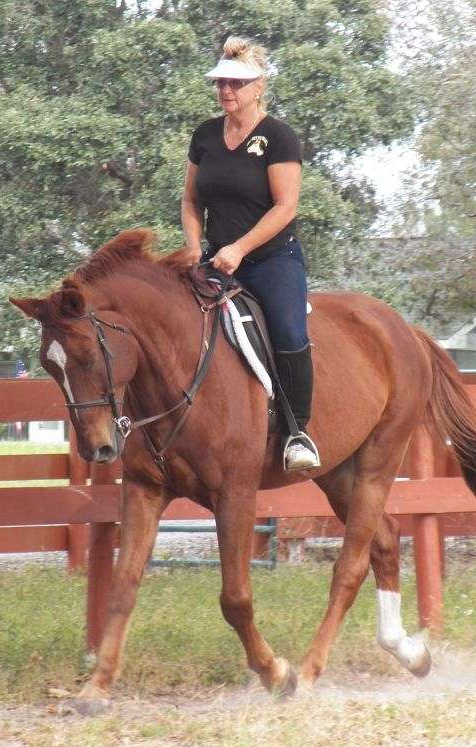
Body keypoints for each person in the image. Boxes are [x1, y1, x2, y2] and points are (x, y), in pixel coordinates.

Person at [181, 35, 320, 471]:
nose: (226, 91)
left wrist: (239, 248)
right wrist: (191, 248)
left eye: (236, 84)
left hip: (272, 260)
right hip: (216, 261)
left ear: (259, 86)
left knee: (288, 332)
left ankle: (298, 433)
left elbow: (287, 206)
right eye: (221, 83)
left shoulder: (278, 137)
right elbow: (190, 200)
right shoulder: (204, 135)